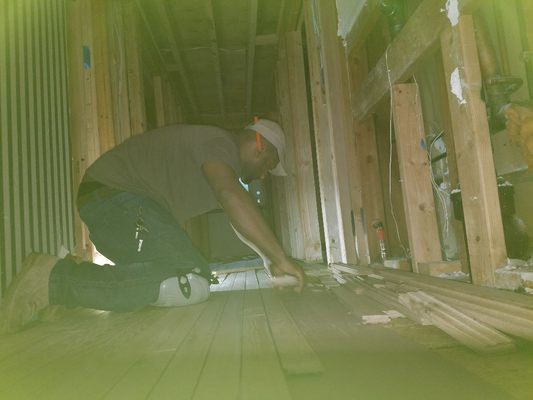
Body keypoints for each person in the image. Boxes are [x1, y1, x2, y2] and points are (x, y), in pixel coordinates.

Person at [1, 119, 305, 332]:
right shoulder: (220, 144)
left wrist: (269, 260)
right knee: (191, 277)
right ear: (259, 144)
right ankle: (54, 280)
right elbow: (231, 196)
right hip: (116, 199)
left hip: (114, 209)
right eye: (269, 164)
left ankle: (65, 288)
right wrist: (282, 258)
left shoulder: (220, 162)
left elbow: (235, 217)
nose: (265, 174)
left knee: (177, 277)